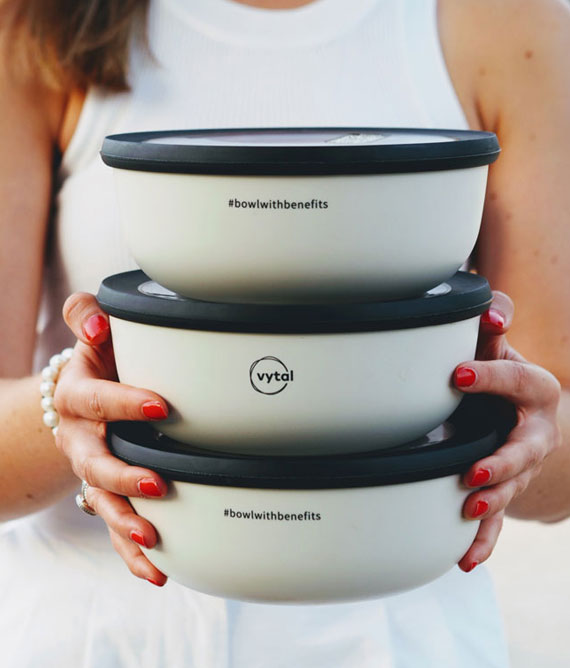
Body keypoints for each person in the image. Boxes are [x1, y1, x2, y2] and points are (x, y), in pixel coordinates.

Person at [0, 0, 568, 665]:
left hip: (397, 636)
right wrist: (68, 408)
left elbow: (555, 439)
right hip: (103, 638)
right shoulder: (36, 19)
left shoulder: (507, 22)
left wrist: (522, 439)